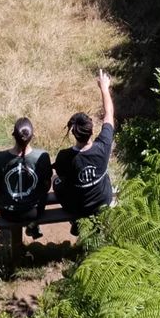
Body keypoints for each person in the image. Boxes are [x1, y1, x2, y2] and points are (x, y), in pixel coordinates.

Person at [54, 68, 115, 232]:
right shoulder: (103, 146)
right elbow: (109, 113)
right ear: (92, 130)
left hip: (78, 207)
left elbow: (62, 177)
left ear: (73, 133)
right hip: (102, 201)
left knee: (56, 182)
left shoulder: (65, 157)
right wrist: (104, 88)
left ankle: (77, 222)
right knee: (106, 177)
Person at [0, 117, 52, 240]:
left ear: (13, 135)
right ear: (33, 136)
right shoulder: (42, 156)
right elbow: (47, 185)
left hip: (8, 213)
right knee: (42, 197)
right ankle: (33, 224)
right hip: (34, 212)